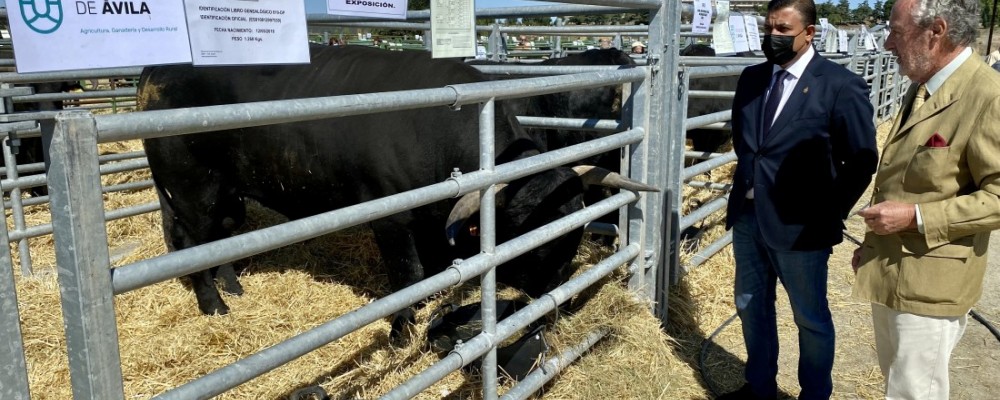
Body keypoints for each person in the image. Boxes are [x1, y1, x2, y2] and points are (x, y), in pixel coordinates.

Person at [720, 0, 879, 398]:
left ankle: (813, 394)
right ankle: (759, 387)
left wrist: (827, 214)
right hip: (749, 217)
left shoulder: (839, 84)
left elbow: (861, 161)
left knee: (810, 318)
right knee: (750, 306)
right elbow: (748, 147)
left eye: (783, 30)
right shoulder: (752, 78)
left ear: (809, 32)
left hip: (802, 227)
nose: (772, 37)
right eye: (769, 27)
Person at [851, 0, 1000, 397]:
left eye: (896, 33)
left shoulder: (987, 95)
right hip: (893, 266)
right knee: (898, 384)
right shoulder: (924, 86)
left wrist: (915, 217)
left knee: (914, 392)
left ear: (936, 31)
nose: (887, 44)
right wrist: (874, 244)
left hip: (931, 282)